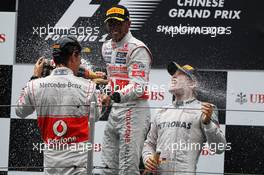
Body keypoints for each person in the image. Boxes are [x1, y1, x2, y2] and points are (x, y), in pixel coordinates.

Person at [16, 36, 102, 175]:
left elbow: (20, 111)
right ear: (74, 56)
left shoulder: (35, 85)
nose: (80, 62)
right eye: (79, 57)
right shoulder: (88, 86)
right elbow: (96, 116)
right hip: (79, 165)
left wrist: (34, 77)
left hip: (51, 165)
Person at [142, 62, 227, 175]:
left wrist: (208, 124)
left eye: (179, 74)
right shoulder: (161, 111)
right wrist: (148, 159)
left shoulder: (205, 109)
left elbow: (219, 148)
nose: (173, 77)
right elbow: (149, 144)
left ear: (192, 83)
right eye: (173, 75)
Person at [101, 4, 152, 175]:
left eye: (118, 23)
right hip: (116, 110)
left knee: (127, 167)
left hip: (134, 110)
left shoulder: (137, 48)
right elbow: (112, 80)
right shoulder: (106, 47)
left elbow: (138, 87)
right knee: (108, 164)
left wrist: (114, 96)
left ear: (128, 24)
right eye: (111, 23)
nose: (114, 27)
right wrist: (107, 93)